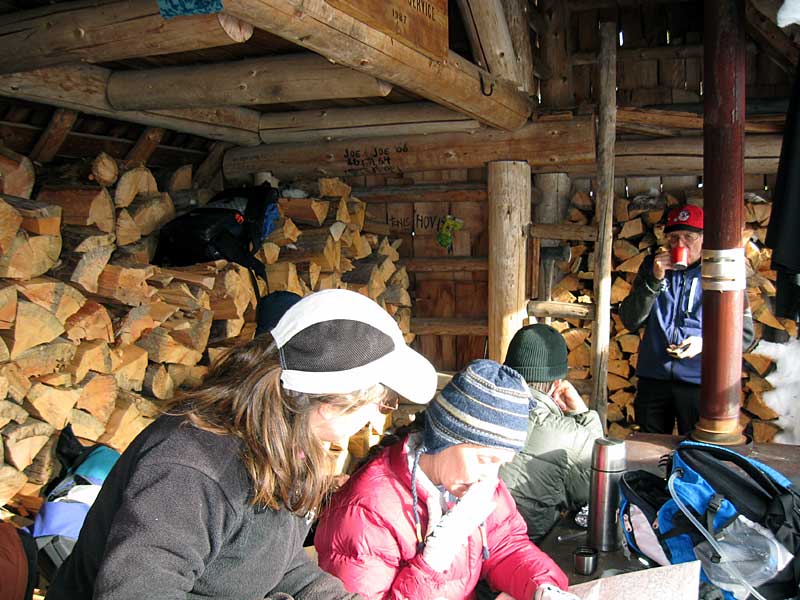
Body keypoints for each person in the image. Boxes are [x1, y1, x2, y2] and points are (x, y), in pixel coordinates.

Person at [47, 289, 437, 600]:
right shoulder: (192, 466)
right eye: (378, 401)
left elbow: (275, 562)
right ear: (327, 399)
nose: (376, 417)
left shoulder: (284, 441)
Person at [314, 359, 576, 600]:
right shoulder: (366, 513)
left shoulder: (474, 482)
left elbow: (506, 545)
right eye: (485, 459)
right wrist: (432, 563)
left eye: (501, 463)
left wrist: (542, 585)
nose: (492, 477)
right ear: (445, 438)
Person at [619, 205, 754, 434]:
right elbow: (630, 320)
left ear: (704, 239)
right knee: (648, 448)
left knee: (695, 451)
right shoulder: (652, 266)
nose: (679, 245)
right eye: (673, 237)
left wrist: (705, 343)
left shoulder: (721, 271)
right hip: (654, 378)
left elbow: (745, 334)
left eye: (689, 237)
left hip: (699, 383)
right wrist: (654, 280)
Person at [500, 323, 604, 542]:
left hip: (465, 549)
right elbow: (598, 485)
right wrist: (583, 413)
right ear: (557, 383)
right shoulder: (568, 435)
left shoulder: (478, 406)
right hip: (528, 551)